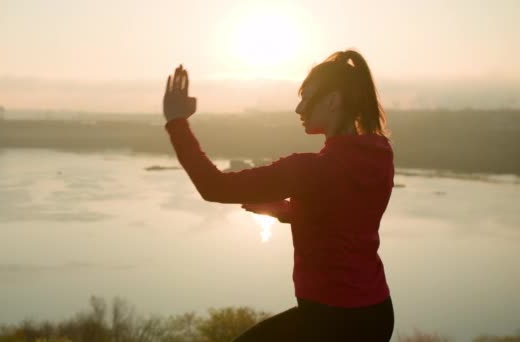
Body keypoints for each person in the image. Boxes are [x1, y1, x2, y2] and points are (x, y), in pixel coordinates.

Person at [162, 49, 395, 341]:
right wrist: (286, 211)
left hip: (329, 321)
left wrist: (176, 121)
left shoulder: (309, 170)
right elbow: (344, 216)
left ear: (334, 101)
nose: (299, 109)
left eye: (306, 97)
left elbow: (213, 187)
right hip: (376, 315)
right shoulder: (381, 154)